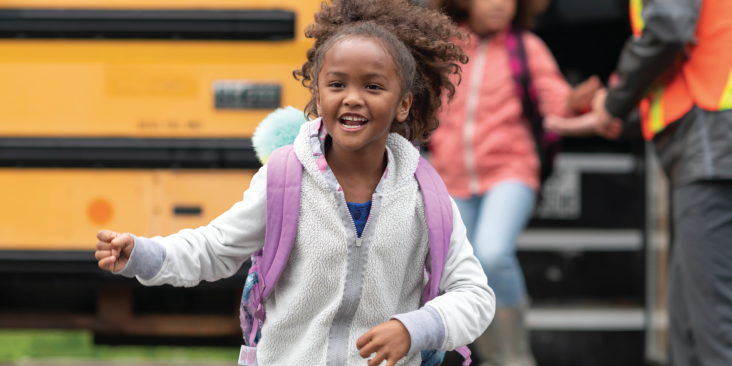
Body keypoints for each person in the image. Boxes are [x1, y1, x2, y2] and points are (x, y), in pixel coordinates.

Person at [92, 0, 496, 365]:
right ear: (318, 97)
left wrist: (415, 329)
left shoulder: (425, 195)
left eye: (373, 86)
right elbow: (214, 249)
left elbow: (475, 296)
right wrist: (142, 255)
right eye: (337, 84)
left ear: (404, 104)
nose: (352, 98)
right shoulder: (285, 179)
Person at [544, 0, 732, 364]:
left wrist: (613, 106)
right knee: (690, 324)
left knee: (713, 326)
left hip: (713, 150)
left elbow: (669, 28)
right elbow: (680, 65)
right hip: (708, 147)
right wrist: (615, 109)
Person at [426, 0, 600, 365]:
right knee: (459, 270)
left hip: (511, 171)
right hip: (451, 175)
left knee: (492, 253)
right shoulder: (445, 47)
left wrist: (576, 102)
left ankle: (516, 355)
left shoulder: (527, 47)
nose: (499, 4)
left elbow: (555, 102)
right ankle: (490, 355)